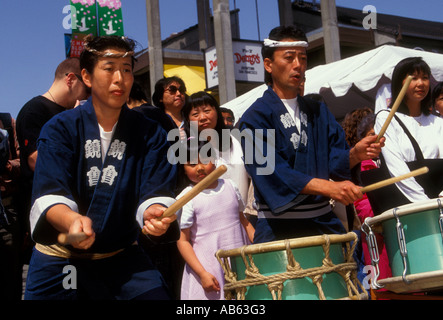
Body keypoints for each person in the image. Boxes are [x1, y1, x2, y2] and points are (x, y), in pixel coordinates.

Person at [24, 35, 179, 300]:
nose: (120, 78)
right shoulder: (60, 128)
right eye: (109, 69)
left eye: (127, 69)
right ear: (86, 76)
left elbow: (155, 191)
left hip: (120, 257)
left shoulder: (150, 133)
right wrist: (71, 220)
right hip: (63, 260)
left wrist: (155, 211)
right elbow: (50, 193)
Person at [238, 26, 384, 244]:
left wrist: (355, 154)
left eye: (303, 58)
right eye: (289, 58)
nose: (298, 65)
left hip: (324, 223)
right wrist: (329, 187)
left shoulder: (318, 110)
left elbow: (335, 160)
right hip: (279, 229)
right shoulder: (252, 118)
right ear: (268, 64)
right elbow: (269, 170)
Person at [16, 57, 90, 257]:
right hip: (46, 209)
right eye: (87, 88)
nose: (88, 95)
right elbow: (35, 160)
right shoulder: (35, 110)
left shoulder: (71, 112)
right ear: (71, 80)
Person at [177, 141, 254, 300]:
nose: (199, 167)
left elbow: (243, 221)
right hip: (208, 268)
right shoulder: (186, 199)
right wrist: (202, 273)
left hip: (240, 261)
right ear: (184, 170)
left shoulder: (230, 186)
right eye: (192, 164)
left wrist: (259, 246)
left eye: (205, 160)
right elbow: (182, 241)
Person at [374, 57, 443, 206]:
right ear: (400, 82)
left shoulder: (438, 122)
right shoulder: (386, 118)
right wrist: (425, 203)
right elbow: (396, 167)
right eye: (414, 77)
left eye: (425, 78)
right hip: (408, 204)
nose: (421, 83)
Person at [183, 91, 250, 206]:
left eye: (207, 111)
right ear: (188, 120)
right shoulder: (186, 148)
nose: (202, 117)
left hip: (243, 215)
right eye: (195, 114)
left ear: (217, 112)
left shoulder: (235, 141)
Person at [0, 113, 22, 300]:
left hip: (6, 212)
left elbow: (27, 162)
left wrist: (6, 166)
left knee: (10, 277)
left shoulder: (8, 123)